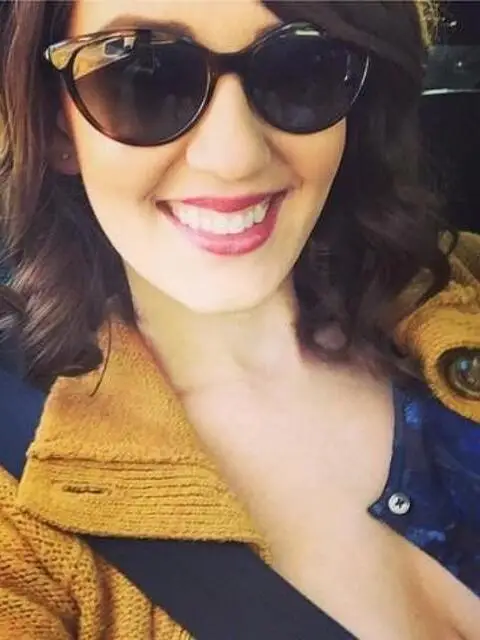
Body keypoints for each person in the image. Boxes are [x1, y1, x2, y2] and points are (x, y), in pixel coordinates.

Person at [0, 0, 479, 637]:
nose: (235, 158)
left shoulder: (462, 280)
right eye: (143, 73)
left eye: (301, 63)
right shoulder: (18, 507)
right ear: (57, 125)